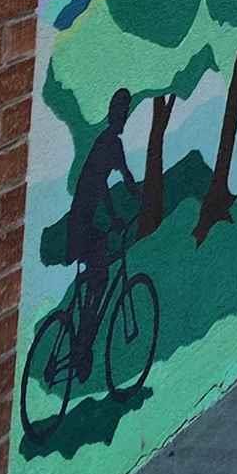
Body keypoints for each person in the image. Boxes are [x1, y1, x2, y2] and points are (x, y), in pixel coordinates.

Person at [65, 88, 138, 359]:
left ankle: (83, 336)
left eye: (125, 112)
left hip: (85, 220)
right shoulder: (107, 143)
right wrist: (115, 216)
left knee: (98, 276)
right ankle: (82, 342)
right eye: (122, 112)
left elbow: (126, 176)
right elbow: (99, 183)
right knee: (101, 276)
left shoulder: (112, 143)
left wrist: (141, 198)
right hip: (81, 221)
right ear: (115, 114)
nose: (124, 117)